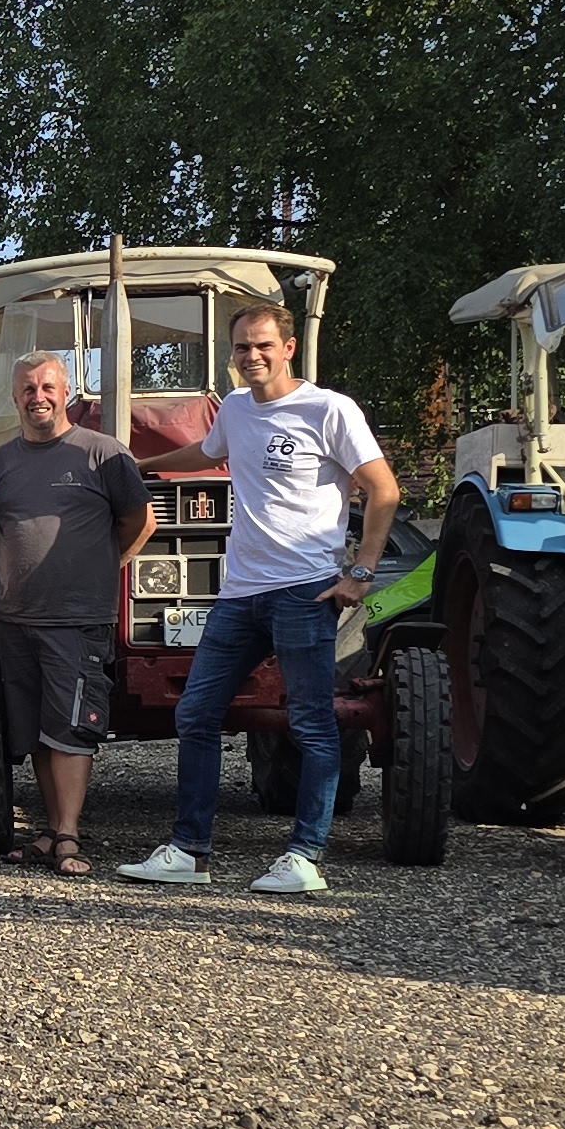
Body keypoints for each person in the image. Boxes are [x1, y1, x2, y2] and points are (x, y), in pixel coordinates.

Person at [120, 304, 400, 898]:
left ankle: (304, 856)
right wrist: (141, 464)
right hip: (240, 592)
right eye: (243, 347)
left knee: (311, 725)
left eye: (263, 346)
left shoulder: (329, 410)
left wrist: (361, 571)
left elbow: (383, 490)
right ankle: (189, 849)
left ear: (289, 348)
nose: (253, 356)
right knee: (195, 714)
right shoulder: (239, 409)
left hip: (304, 590)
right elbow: (206, 451)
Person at [0, 351, 155, 876]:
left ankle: (69, 836)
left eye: (48, 387)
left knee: (74, 727)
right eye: (28, 389)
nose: (38, 397)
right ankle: (51, 829)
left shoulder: (103, 453)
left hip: (77, 617)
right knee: (36, 730)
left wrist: (106, 564)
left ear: (68, 391)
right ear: (14, 397)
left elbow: (139, 522)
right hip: (16, 616)